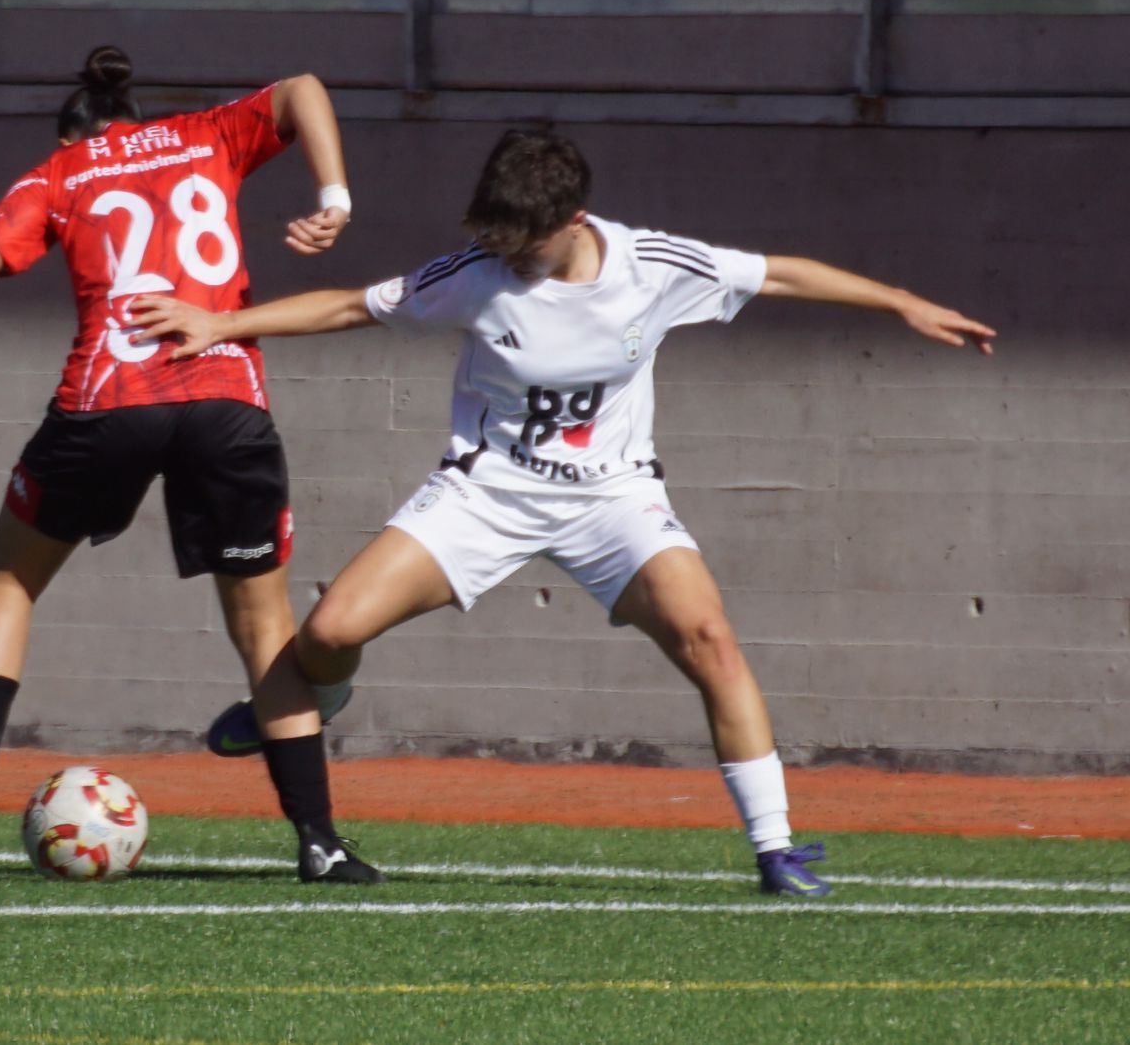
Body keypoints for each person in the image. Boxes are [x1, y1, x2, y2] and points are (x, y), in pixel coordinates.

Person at [128, 128, 997, 896]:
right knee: (324, 635)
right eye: (494, 236)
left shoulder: (655, 266)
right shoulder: (477, 278)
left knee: (710, 638)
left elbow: (784, 274)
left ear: (574, 218)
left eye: (522, 239)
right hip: (486, 492)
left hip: (614, 501)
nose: (504, 253)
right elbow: (355, 304)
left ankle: (775, 850)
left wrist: (902, 302)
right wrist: (222, 323)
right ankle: (326, 691)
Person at [0, 46, 382, 883]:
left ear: (76, 130)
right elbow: (305, 86)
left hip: (107, 404)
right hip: (225, 398)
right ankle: (319, 840)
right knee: (263, 628)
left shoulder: (60, 173)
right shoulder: (207, 133)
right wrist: (335, 199)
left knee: (10, 582)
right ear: (133, 117)